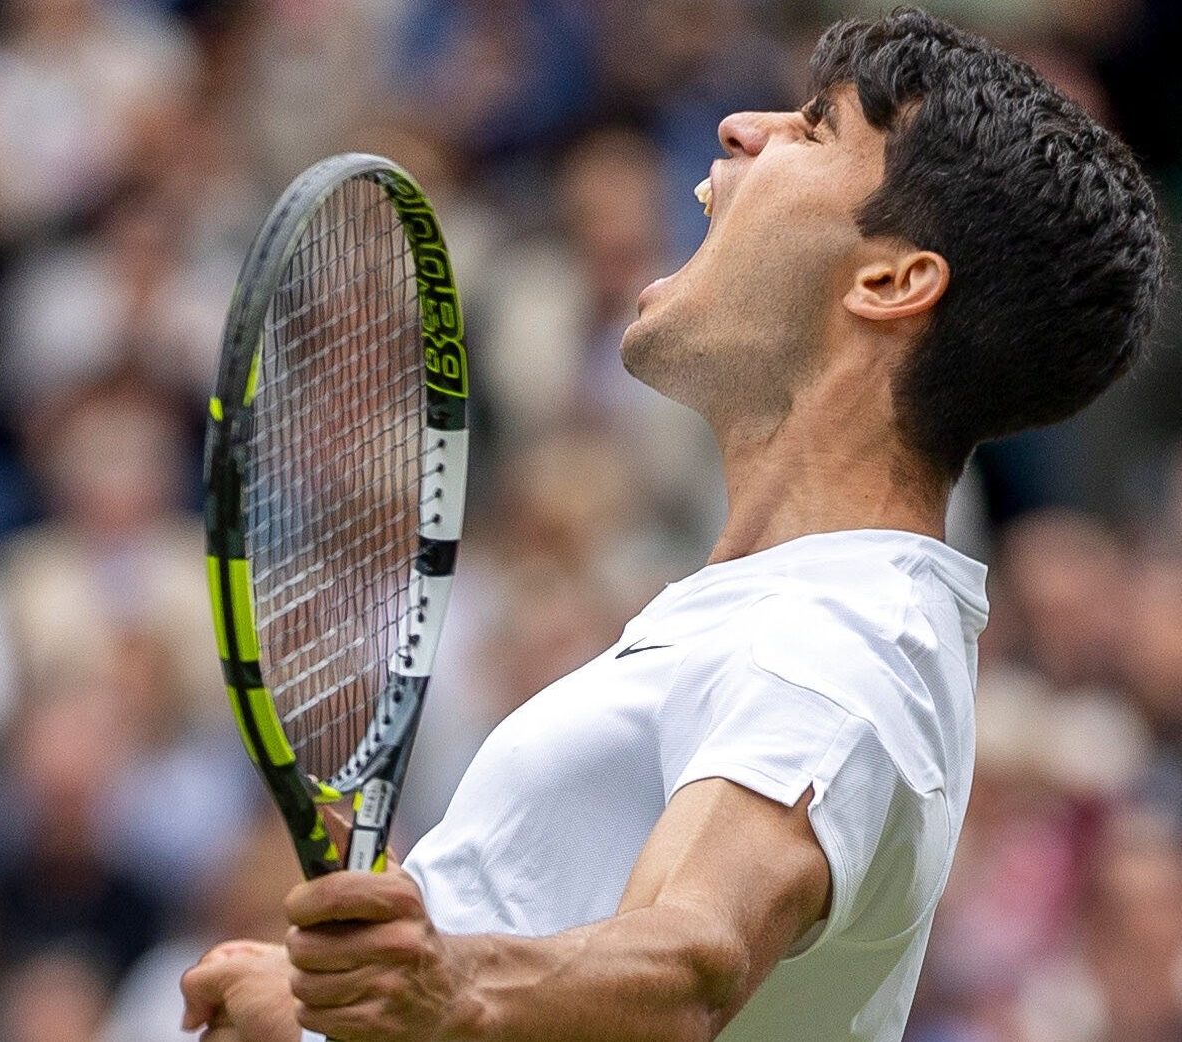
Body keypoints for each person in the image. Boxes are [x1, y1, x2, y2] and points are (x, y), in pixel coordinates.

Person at [179, 8, 1166, 1042]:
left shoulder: (839, 639)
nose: (742, 126)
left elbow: (692, 957)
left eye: (816, 127)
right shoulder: (796, 613)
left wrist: (451, 985)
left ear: (889, 281)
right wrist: (320, 1011)